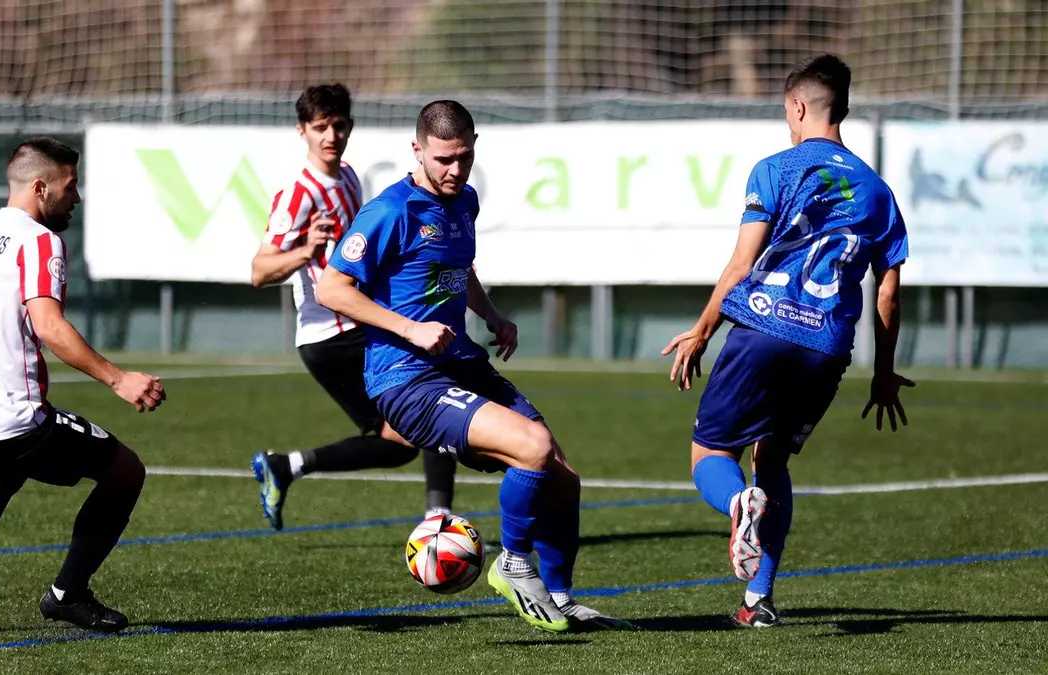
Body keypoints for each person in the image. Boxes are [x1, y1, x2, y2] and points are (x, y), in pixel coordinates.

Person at [316, 100, 629, 633]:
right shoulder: (390, 212)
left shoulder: (465, 201)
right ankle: (513, 565)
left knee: (562, 477)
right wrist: (410, 328)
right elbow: (331, 288)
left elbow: (460, 269)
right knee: (532, 447)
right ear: (417, 150)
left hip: (460, 363)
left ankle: (559, 597)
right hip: (407, 380)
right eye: (443, 159)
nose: (455, 169)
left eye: (464, 157)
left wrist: (491, 315)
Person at [662, 54, 913, 628]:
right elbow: (888, 295)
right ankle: (759, 601)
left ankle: (736, 503)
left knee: (710, 454)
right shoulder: (879, 192)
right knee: (772, 459)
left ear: (798, 107)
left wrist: (703, 330)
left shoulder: (776, 168)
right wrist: (883, 373)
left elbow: (741, 263)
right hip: (827, 346)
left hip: (764, 329)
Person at [0, 137, 165, 634]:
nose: (76, 197)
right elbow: (49, 326)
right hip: (12, 420)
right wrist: (118, 378)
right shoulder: (39, 241)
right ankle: (68, 594)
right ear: (41, 188)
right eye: (71, 186)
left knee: (6, 468)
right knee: (125, 471)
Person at [248, 83, 457, 530]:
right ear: (302, 131)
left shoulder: (347, 176)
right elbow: (259, 271)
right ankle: (438, 523)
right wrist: (305, 252)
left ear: (350, 127)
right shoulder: (298, 194)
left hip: (357, 324)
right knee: (434, 396)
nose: (331, 136)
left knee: (403, 440)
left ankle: (285, 466)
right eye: (320, 127)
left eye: (338, 125)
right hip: (331, 335)